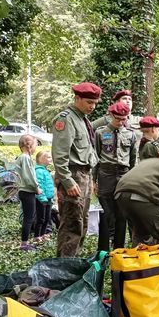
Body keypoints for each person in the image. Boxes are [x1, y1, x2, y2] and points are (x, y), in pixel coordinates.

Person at [51, 82, 101, 257]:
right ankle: (63, 266)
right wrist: (67, 181)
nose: (92, 107)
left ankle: (72, 261)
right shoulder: (66, 119)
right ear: (77, 98)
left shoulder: (82, 119)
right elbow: (60, 154)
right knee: (72, 223)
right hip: (72, 174)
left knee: (82, 222)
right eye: (89, 102)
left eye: (95, 103)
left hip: (84, 174)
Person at [94, 101, 138, 252]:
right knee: (106, 214)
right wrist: (94, 181)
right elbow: (96, 158)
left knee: (121, 214)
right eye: (118, 119)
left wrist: (132, 180)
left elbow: (133, 159)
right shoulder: (100, 132)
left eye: (124, 119)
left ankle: (118, 248)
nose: (121, 122)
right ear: (111, 115)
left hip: (124, 175)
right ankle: (103, 250)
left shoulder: (130, 134)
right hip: (106, 174)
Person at [14, 134, 41, 251]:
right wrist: (36, 187)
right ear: (29, 145)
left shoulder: (24, 157)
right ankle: (24, 244)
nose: (36, 148)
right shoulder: (25, 158)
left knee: (29, 216)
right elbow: (28, 175)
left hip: (26, 191)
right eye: (35, 144)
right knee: (28, 218)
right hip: (27, 191)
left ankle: (25, 243)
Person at [34, 150, 55, 242]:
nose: (50, 159)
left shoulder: (46, 171)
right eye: (48, 157)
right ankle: (37, 235)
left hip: (49, 199)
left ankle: (43, 234)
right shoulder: (39, 171)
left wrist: (52, 198)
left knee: (47, 218)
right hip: (42, 199)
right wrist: (42, 198)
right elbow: (39, 185)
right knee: (40, 218)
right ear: (42, 159)